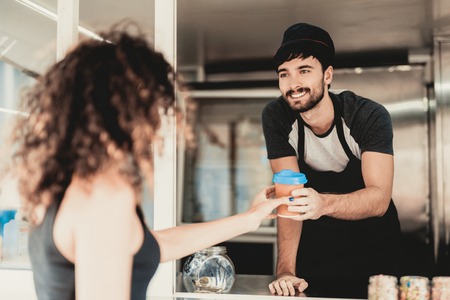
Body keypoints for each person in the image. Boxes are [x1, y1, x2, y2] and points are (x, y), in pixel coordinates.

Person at [7, 24, 298, 300]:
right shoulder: (104, 194)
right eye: (151, 107)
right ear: (124, 112)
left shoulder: (61, 185)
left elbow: (153, 246)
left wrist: (249, 219)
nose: (156, 123)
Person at [262, 22, 402, 298]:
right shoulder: (276, 117)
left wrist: (321, 203)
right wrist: (286, 271)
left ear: (327, 75)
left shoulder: (367, 115)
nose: (293, 84)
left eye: (304, 71)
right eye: (284, 74)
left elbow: (379, 199)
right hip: (318, 249)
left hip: (375, 247)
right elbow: (290, 199)